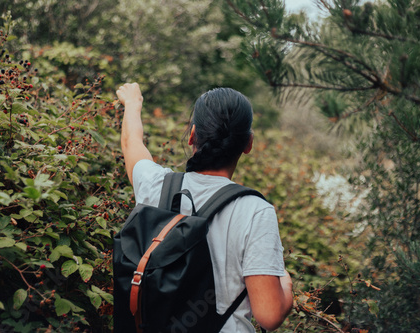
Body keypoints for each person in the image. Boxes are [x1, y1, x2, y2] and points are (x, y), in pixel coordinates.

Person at [116, 82, 293, 332]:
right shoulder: (255, 210)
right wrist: (286, 284)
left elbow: (131, 143)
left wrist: (133, 104)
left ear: (192, 135)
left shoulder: (156, 185)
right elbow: (270, 315)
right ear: (248, 144)